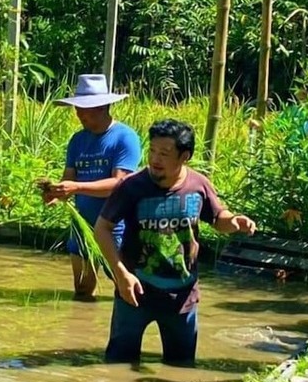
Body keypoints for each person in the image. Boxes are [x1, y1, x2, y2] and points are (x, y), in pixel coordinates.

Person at [93, 119, 256, 364]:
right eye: (152, 151)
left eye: (164, 154)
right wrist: (120, 274)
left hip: (182, 296)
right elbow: (102, 228)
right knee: (118, 365)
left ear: (184, 156)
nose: (155, 159)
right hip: (135, 292)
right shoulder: (131, 186)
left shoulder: (198, 185)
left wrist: (233, 222)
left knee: (181, 368)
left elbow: (217, 217)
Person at [42, 74, 141, 301]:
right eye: (77, 108)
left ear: (103, 107)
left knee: (125, 291)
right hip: (81, 226)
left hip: (114, 226)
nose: (79, 114)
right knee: (83, 292)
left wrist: (75, 187)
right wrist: (57, 193)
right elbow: (68, 177)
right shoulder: (77, 140)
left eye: (85, 109)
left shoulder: (124, 137)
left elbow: (119, 184)